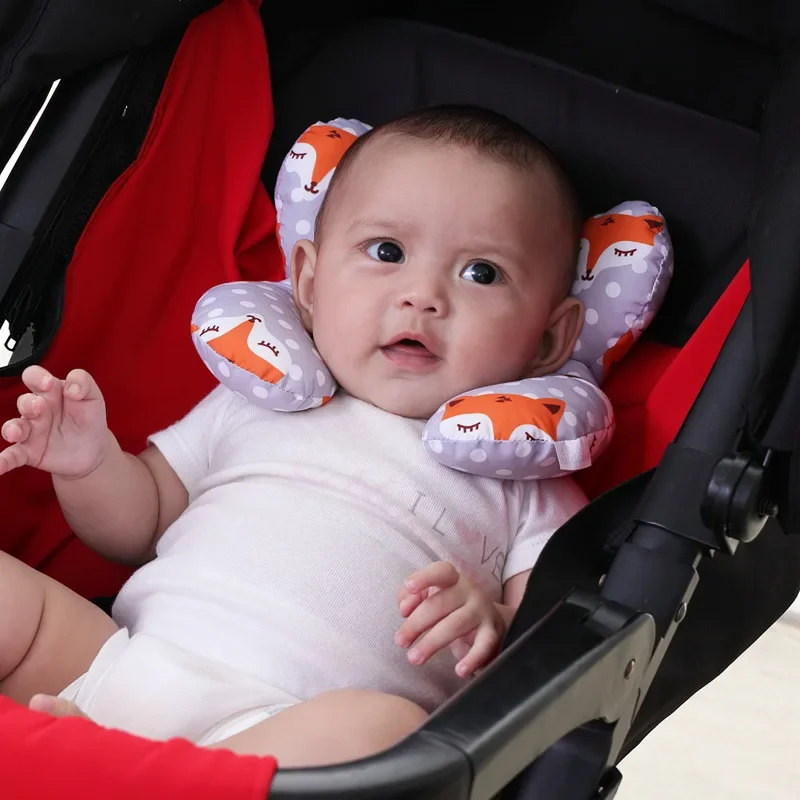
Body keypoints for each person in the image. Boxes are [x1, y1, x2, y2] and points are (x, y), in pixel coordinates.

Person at [0, 105, 588, 767]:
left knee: (387, 731)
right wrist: (88, 464)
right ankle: (96, 760)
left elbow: (556, 646)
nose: (422, 295)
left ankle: (103, 772)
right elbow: (140, 524)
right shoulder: (256, 401)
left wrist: (496, 626)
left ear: (548, 339)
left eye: (481, 272)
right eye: (386, 252)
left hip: (278, 740)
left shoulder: (526, 486)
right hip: (113, 664)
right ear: (307, 281)